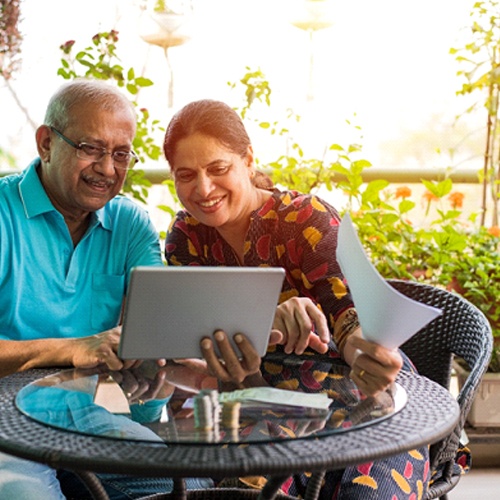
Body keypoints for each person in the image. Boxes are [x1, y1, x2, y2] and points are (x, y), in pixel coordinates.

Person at [163, 99, 430, 499]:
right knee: (248, 491)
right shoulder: (186, 237)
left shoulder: (306, 218)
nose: (203, 189)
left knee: (366, 493)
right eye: (186, 175)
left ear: (248, 160)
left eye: (218, 169)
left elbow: (351, 321)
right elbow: (205, 345)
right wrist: (257, 331)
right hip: (264, 397)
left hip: (358, 389)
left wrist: (364, 355)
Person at [0, 79, 212, 499]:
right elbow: (86, 348)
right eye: (90, 149)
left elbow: (153, 331)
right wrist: (73, 348)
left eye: (121, 154)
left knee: (186, 489)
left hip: (84, 412)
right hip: (4, 418)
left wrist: (161, 365)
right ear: (46, 143)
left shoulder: (130, 224)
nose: (108, 169)